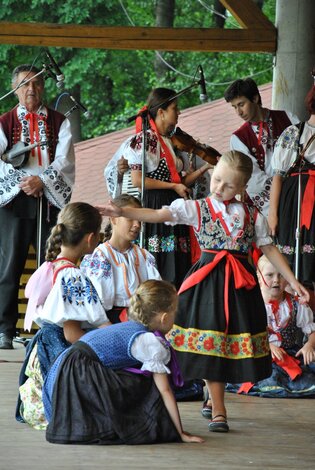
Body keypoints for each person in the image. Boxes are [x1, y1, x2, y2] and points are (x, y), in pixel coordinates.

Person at [97, 150, 310, 433]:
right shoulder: (197, 208)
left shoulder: (251, 215)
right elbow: (160, 214)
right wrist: (123, 211)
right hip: (207, 285)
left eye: (228, 185)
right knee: (210, 346)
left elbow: (269, 247)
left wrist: (293, 281)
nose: (219, 188)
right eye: (217, 180)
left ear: (242, 188)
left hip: (239, 288)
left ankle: (212, 396)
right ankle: (219, 409)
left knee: (228, 347)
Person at [42, 279, 204, 445]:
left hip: (66, 367)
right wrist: (179, 433)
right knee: (150, 381)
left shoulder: (129, 328)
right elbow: (165, 391)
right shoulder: (148, 341)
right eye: (175, 312)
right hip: (79, 374)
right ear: (164, 318)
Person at [0, 64, 75, 349]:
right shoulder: (4, 122)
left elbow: (65, 160)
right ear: (15, 89)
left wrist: (41, 181)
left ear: (43, 87)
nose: (31, 89)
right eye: (24, 84)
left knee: (52, 263)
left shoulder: (60, 121)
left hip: (49, 199)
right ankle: (5, 329)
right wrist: (25, 182)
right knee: (9, 266)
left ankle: (51, 325)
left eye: (36, 83)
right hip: (13, 201)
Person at [16, 202, 109, 430]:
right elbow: (72, 333)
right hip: (59, 352)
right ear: (90, 238)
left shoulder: (51, 266)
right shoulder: (72, 276)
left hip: (46, 347)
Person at [121, 88, 212, 289]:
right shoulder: (144, 140)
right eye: (174, 108)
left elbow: (181, 182)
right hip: (156, 203)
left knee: (179, 262)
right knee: (161, 264)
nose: (178, 113)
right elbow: (138, 180)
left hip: (173, 203)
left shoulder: (169, 141)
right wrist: (174, 185)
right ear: (161, 112)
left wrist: (206, 167)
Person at [227, 255, 315, 397]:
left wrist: (309, 345)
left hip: (288, 354)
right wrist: (266, 346)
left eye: (281, 275)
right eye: (270, 275)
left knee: (306, 375)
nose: (276, 280)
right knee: (270, 378)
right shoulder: (251, 304)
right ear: (259, 276)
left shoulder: (295, 304)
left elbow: (311, 330)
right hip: (258, 356)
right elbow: (240, 335)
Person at [80, 194, 161, 324]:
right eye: (130, 219)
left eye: (139, 220)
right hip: (109, 322)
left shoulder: (145, 256)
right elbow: (96, 303)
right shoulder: (100, 256)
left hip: (142, 319)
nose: (137, 225)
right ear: (113, 219)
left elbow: (156, 293)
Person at [224, 78, 298, 217]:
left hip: (299, 191)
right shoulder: (238, 139)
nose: (238, 112)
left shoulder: (288, 117)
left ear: (255, 98)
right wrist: (277, 206)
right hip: (272, 207)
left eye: (241, 104)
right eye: (234, 107)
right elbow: (255, 181)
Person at [268, 85, 315, 293]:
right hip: (294, 202)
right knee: (293, 258)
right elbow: (278, 175)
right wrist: (272, 213)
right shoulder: (294, 133)